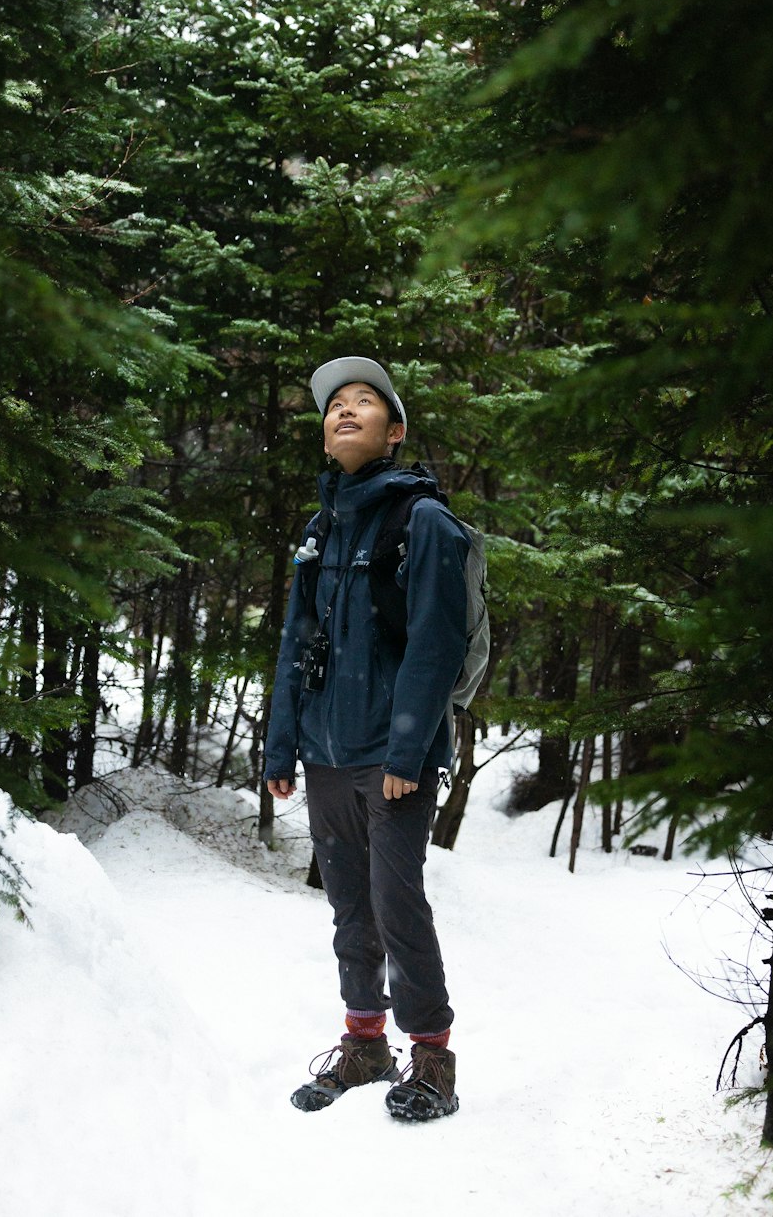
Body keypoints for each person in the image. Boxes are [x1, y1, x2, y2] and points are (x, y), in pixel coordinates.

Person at [264, 356, 468, 1121]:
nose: (344, 412)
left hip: (392, 756)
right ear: (324, 436)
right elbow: (296, 640)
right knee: (350, 904)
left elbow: (437, 644)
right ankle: (364, 1046)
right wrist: (281, 745)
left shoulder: (424, 521)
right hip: (324, 752)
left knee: (396, 902)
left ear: (396, 431)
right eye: (333, 406)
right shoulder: (321, 530)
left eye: (363, 403)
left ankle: (433, 1059)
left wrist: (409, 753)